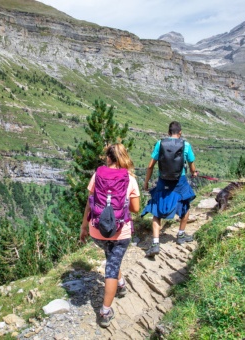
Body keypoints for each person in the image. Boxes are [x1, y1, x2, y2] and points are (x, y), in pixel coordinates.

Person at [80, 143, 140, 328]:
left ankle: (121, 284)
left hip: (97, 231)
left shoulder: (97, 175)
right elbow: (136, 209)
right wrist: (121, 205)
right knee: (112, 267)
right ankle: (105, 312)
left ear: (108, 158)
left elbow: (90, 204)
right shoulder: (129, 179)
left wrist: (83, 227)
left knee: (111, 256)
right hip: (120, 231)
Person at [141, 121, 198, 257]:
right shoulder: (186, 145)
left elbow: (150, 166)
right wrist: (194, 172)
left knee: (157, 210)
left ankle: (155, 243)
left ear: (168, 132)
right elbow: (191, 164)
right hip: (180, 181)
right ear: (180, 132)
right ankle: (180, 235)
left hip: (163, 181)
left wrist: (146, 182)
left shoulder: (160, 144)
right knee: (185, 206)